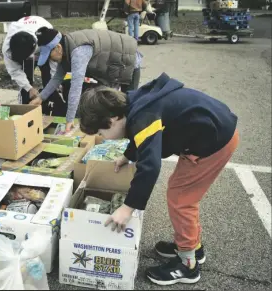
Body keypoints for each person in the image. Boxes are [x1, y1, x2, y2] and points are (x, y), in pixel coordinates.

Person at [77, 74, 239, 286]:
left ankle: (188, 264)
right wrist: (128, 156)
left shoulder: (142, 118)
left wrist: (128, 207)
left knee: (181, 199)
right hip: (209, 131)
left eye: (101, 131)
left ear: (114, 119)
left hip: (215, 141)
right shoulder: (134, 105)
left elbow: (150, 166)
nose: (104, 137)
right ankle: (192, 247)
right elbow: (140, 139)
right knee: (181, 195)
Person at [29, 27, 141, 132]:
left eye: (49, 55)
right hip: (109, 65)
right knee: (108, 101)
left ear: (58, 47)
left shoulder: (78, 52)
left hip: (127, 61)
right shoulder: (65, 48)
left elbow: (76, 87)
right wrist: (40, 98)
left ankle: (131, 135)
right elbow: (57, 77)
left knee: (128, 102)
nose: (51, 60)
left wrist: (69, 120)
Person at [2, 16, 58, 105]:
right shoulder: (8, 48)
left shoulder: (47, 37)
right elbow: (14, 71)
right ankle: (25, 107)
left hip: (41, 42)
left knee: (49, 79)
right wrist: (29, 88)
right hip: (27, 44)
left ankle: (49, 106)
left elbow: (55, 61)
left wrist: (55, 81)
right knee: (26, 84)